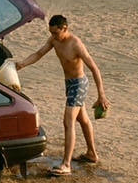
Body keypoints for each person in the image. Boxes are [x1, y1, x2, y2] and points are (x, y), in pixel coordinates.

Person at [17, 14, 107, 174]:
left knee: (68, 122)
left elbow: (94, 68)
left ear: (64, 28)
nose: (53, 36)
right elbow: (38, 54)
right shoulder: (54, 41)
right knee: (83, 120)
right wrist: (22, 64)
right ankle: (92, 154)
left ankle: (66, 164)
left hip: (79, 84)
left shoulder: (76, 44)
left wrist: (101, 95)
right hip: (69, 84)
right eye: (51, 33)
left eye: (55, 33)